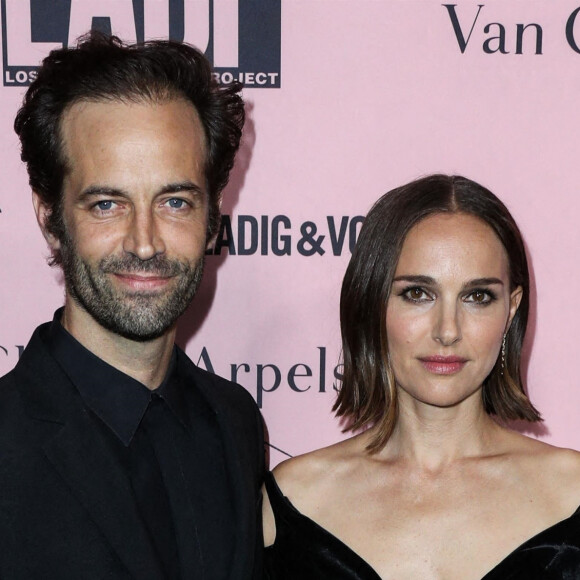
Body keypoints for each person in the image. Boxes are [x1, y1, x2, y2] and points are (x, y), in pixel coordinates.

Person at [0, 32, 264, 579]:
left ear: (213, 214)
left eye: (174, 202)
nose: (144, 242)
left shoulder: (235, 424)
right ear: (50, 217)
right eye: (106, 204)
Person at [262, 174, 580, 579]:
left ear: (511, 310)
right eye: (418, 294)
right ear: (373, 301)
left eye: (477, 296)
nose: (447, 330)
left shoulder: (572, 494)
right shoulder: (294, 500)